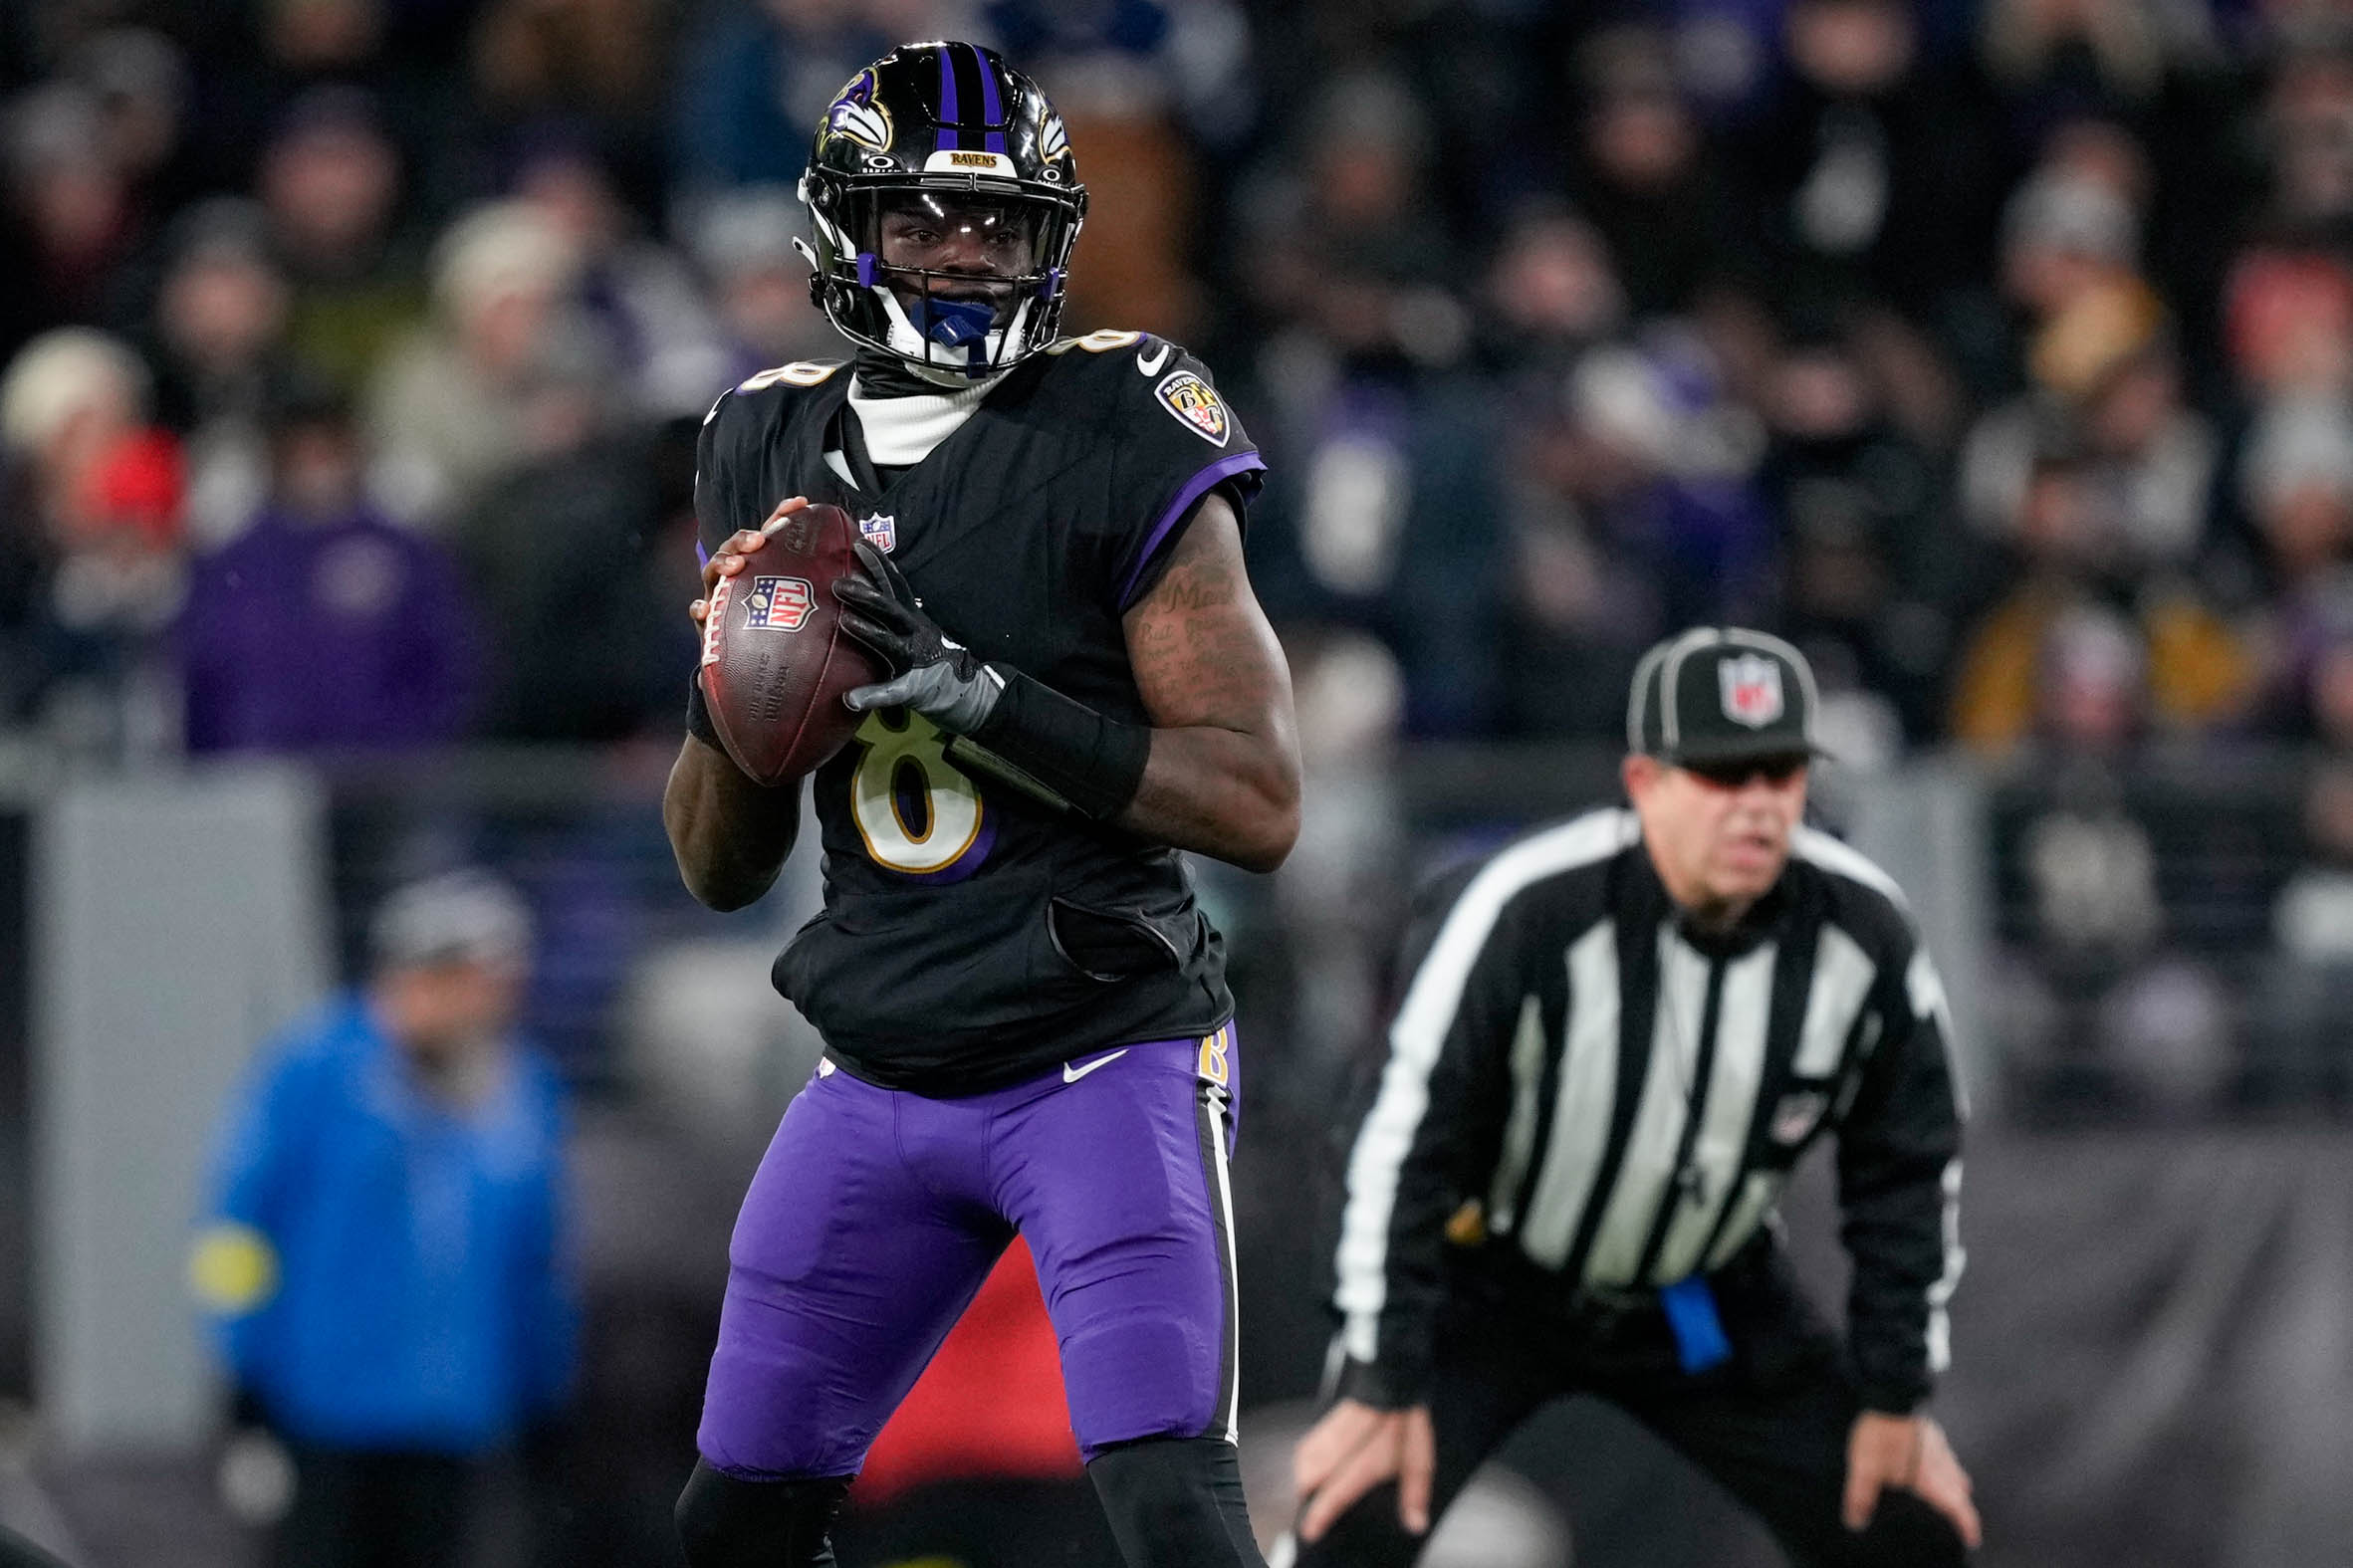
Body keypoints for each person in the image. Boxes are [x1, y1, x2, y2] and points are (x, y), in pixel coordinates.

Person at [662, 41, 1300, 1568]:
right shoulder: (760, 435)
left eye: (997, 227)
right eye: (919, 224)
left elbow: (1257, 796)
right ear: (842, 232)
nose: (960, 255)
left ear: (1048, 241)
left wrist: (983, 697)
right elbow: (713, 862)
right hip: (877, 1060)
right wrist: (740, 690)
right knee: (733, 1522)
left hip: (1101, 1050)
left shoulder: (1125, 415)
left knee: (1171, 1513)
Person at [1284, 628, 1978, 1568]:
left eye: (1778, 776)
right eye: (1721, 776)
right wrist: (1378, 1371)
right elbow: (1401, 1138)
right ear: (1646, 781)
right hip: (1490, 1284)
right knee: (1354, 1517)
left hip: (1696, 1298)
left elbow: (1906, 1165)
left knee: (1904, 1530)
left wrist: (1896, 1396)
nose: (1756, 809)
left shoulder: (1860, 934)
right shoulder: (1531, 907)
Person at [191, 869, 575, 1568]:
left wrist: (542, 1390)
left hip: (455, 1419)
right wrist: (242, 1371)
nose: (492, 1002)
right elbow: (235, 1231)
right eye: (475, 980)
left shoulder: (523, 1090)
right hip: (324, 1413)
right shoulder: (313, 1072)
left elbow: (535, 1261)